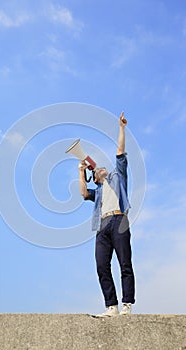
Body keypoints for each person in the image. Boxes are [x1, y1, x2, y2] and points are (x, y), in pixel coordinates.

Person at [78, 112, 135, 317]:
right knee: (102, 265)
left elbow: (120, 151)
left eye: (100, 168)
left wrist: (121, 128)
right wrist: (80, 171)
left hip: (119, 220)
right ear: (96, 178)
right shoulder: (98, 191)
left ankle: (127, 304)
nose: (100, 169)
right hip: (102, 226)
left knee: (125, 264)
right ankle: (111, 306)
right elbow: (84, 193)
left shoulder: (118, 177)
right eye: (96, 171)